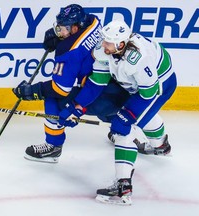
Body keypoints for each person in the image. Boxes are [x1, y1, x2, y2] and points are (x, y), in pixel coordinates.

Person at [58, 19, 177, 205]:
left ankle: (123, 187)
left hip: (158, 87)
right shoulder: (106, 49)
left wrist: (126, 118)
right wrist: (77, 107)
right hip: (138, 86)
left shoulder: (139, 58)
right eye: (104, 40)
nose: (103, 45)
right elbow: (96, 82)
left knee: (123, 128)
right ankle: (161, 145)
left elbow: (149, 93)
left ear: (121, 44)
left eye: (108, 42)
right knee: (133, 120)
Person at [13, 4, 128, 163]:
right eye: (58, 27)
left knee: (54, 99)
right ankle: (153, 140)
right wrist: (58, 35)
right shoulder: (93, 22)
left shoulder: (69, 51)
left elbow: (60, 89)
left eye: (64, 28)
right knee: (109, 108)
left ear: (75, 28)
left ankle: (53, 146)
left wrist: (34, 90)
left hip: (100, 95)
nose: (60, 31)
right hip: (123, 91)